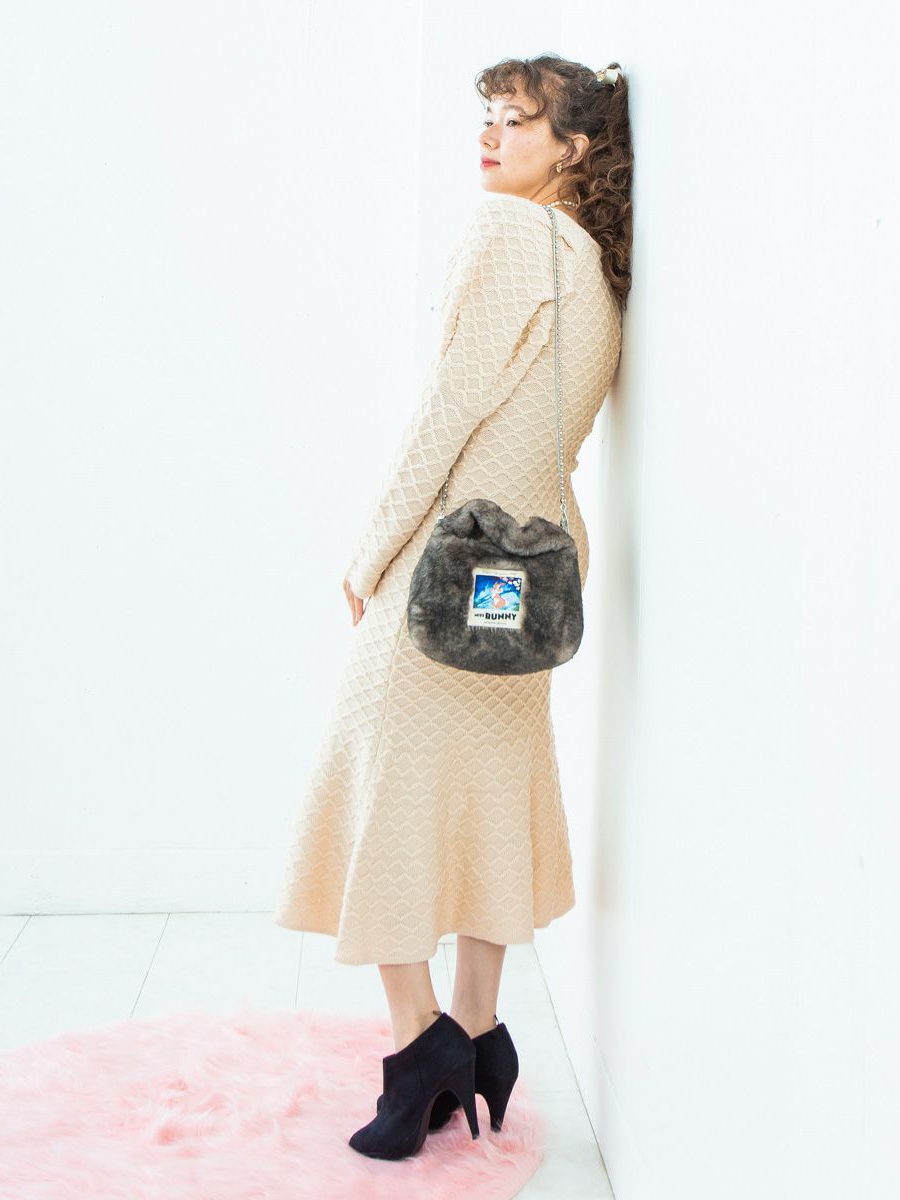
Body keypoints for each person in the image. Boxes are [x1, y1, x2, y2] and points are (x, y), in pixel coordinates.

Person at [273, 54, 632, 1160]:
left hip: (452, 555)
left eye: (517, 121)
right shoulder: (594, 267)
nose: (490, 136)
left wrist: (372, 547)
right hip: (530, 575)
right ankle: (479, 1028)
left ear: (573, 148)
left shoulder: (510, 234)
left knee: (380, 775)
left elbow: (448, 409)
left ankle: (419, 1037)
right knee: (489, 787)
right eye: (489, 117)